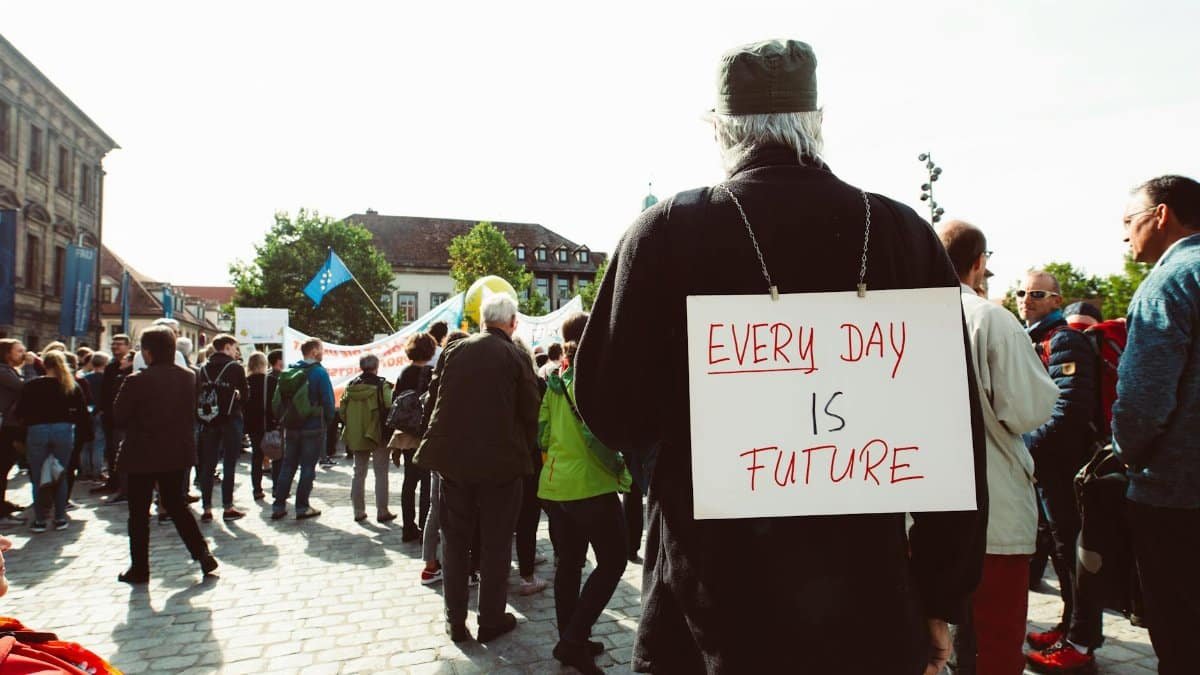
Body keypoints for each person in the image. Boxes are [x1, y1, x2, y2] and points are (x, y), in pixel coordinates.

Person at [573, 40, 987, 674]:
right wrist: (939, 598)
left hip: (707, 605)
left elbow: (609, 408)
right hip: (868, 606)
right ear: (817, 122)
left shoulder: (665, 233)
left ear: (719, 128)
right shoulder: (905, 233)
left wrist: (690, 444)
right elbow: (953, 435)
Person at [938, 221, 1059, 675]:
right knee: (992, 646)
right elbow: (1029, 410)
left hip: (919, 514)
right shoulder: (989, 319)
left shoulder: (904, 317)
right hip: (992, 513)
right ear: (979, 263)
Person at [1112, 174, 1200, 675]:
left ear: (1161, 215)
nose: (1125, 236)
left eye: (1129, 221)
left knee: (1182, 638)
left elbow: (1143, 401)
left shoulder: (1170, 282)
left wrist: (1130, 454)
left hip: (1177, 498)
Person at [415, 295, 540, 644]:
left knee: (454, 542)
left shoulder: (455, 350)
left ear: (484, 320)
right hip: (500, 463)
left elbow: (435, 400)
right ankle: (490, 619)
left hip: (454, 462)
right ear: (513, 322)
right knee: (497, 543)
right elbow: (532, 412)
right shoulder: (515, 355)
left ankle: (455, 621)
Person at [1018, 270, 1104, 671]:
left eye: (1036, 293)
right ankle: (1070, 627)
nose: (1026, 298)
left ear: (1056, 300)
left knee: (1073, 552)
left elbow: (1068, 411)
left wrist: (1026, 448)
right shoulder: (1037, 338)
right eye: (1022, 292)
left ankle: (1081, 643)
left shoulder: (1064, 339)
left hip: (1066, 469)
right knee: (1062, 550)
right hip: (1051, 468)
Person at [540, 333, 632, 674]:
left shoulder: (553, 383)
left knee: (568, 564)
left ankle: (571, 638)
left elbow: (543, 433)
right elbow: (606, 437)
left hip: (556, 486)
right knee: (613, 561)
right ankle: (573, 638)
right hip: (590, 486)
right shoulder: (591, 385)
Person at [113, 325, 217, 584]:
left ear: (147, 352)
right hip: (176, 451)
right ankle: (202, 554)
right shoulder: (188, 377)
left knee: (138, 514)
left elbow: (118, 416)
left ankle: (140, 568)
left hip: (142, 454)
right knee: (177, 506)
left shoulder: (136, 380)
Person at [13, 352, 87, 533]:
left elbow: (20, 411)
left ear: (44, 365)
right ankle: (60, 517)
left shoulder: (32, 385)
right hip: (63, 430)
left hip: (38, 430)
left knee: (38, 477)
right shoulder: (71, 385)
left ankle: (40, 519)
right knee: (60, 475)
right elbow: (82, 413)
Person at [419, 330, 470, 586]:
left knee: (436, 509)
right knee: (450, 512)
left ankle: (431, 563)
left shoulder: (436, 378)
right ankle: (452, 568)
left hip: (439, 453)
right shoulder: (455, 380)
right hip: (454, 455)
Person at [272, 338, 335, 520]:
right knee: (308, 467)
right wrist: (327, 422)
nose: (322, 353)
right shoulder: (319, 373)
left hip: (291, 426)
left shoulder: (290, 370)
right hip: (313, 426)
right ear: (314, 351)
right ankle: (302, 507)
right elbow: (328, 402)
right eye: (321, 349)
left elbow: (277, 402)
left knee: (288, 465)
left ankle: (279, 505)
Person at [510, 335, 549, 597]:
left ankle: (499, 570)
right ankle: (526, 574)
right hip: (531, 457)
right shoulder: (538, 383)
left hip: (503, 455)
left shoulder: (497, 383)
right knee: (527, 517)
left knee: (501, 518)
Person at [196, 334, 248, 523]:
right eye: (234, 348)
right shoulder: (235, 367)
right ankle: (228, 506)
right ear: (226, 347)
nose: (236, 351)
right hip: (230, 419)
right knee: (229, 464)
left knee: (207, 465)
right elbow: (246, 394)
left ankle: (207, 508)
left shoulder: (202, 369)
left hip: (208, 421)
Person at [389, 333, 437, 540]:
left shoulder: (404, 373)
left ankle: (408, 527)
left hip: (407, 434)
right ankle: (426, 528)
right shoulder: (433, 375)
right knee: (427, 484)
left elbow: (395, 402)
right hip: (426, 434)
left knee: (409, 482)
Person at [341, 354, 395, 523]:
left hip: (357, 434)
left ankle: (358, 511)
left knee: (358, 472)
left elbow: (343, 411)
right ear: (376, 366)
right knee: (381, 473)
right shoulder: (382, 385)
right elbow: (390, 405)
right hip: (377, 433)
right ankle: (382, 510)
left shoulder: (351, 385)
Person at [93, 334, 132, 498]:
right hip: (109, 416)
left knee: (120, 451)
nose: (115, 347)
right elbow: (105, 391)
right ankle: (113, 481)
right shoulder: (110, 366)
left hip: (123, 417)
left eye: (119, 345)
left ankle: (124, 486)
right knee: (110, 450)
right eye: (113, 344)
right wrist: (101, 409)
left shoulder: (131, 366)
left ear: (128, 346)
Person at [0, 339, 26, 526]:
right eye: (19, 351)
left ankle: (2, 504)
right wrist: (36, 365)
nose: (23, 354)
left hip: (8, 425)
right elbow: (24, 388)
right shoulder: (2, 371)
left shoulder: (8, 371)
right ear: (7, 354)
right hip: (3, 426)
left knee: (5, 467)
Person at [244, 351, 274, 501]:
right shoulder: (270, 381)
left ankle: (257, 489)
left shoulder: (245, 381)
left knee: (256, 457)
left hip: (252, 425)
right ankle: (277, 488)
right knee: (276, 455)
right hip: (269, 423)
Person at [79, 353, 109, 482]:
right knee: (98, 443)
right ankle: (97, 472)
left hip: (86, 412)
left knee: (85, 444)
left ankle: (85, 472)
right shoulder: (106, 379)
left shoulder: (85, 378)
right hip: (100, 412)